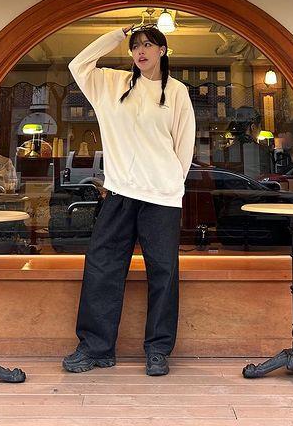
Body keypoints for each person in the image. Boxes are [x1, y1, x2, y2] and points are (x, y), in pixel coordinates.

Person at [62, 23, 196, 377]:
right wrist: (117, 34)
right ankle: (95, 348)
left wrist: (171, 183)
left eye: (148, 44)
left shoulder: (177, 91)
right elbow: (78, 64)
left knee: (163, 273)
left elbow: (184, 143)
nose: (141, 51)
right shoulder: (111, 83)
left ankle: (158, 350)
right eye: (136, 46)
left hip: (162, 197)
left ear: (162, 51)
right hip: (120, 192)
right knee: (102, 267)